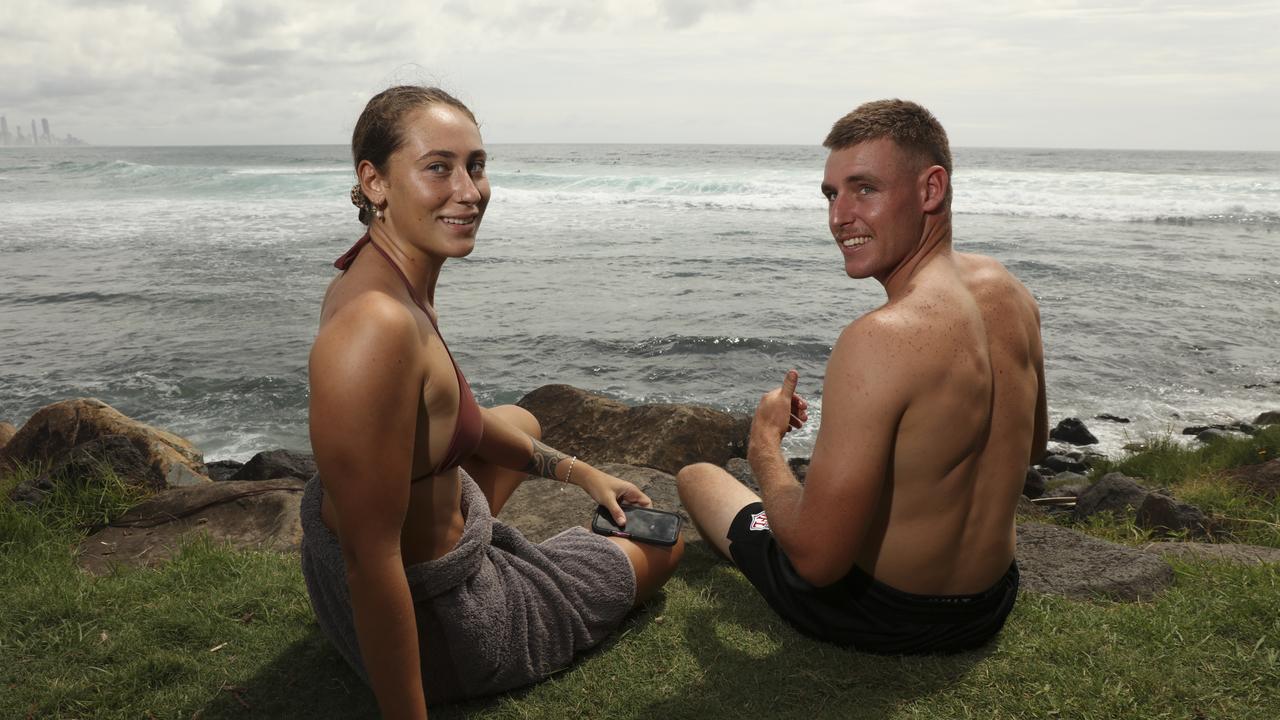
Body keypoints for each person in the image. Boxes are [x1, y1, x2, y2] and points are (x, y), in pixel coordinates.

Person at [301, 86, 683, 717]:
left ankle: (510, 538)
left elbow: (465, 423)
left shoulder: (382, 274)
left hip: (387, 571)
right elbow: (372, 565)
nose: (469, 191)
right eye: (437, 167)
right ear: (375, 182)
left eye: (475, 165)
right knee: (664, 548)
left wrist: (582, 473)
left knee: (517, 421)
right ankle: (516, 592)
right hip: (447, 627)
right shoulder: (376, 327)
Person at [676, 99, 1047, 654]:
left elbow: (818, 561)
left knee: (697, 477)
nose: (839, 215)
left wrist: (765, 450)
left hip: (881, 614)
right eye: (830, 194)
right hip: (990, 601)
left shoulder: (880, 336)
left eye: (864, 188)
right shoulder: (1010, 291)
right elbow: (1034, 447)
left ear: (930, 190)